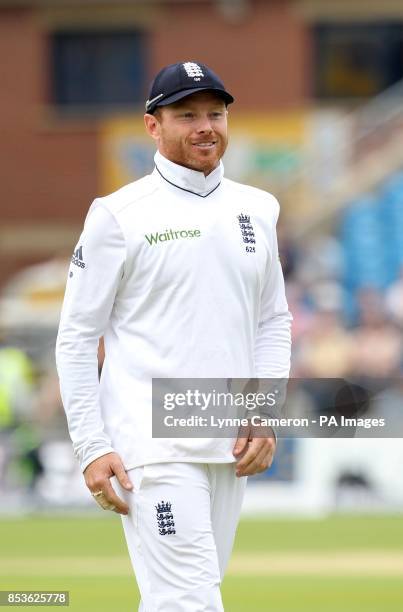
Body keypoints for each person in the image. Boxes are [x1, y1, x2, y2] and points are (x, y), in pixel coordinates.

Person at [56, 61, 292, 611]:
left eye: (215, 112)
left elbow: (272, 320)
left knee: (177, 601)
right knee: (190, 602)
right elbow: (75, 337)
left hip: (227, 442)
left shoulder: (258, 208)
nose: (206, 126)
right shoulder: (117, 215)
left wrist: (263, 412)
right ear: (153, 126)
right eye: (187, 115)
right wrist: (93, 446)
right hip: (152, 444)